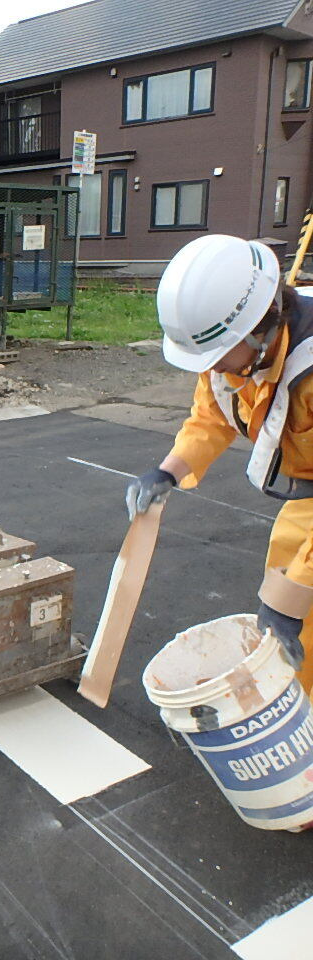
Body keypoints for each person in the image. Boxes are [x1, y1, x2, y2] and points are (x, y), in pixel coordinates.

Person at [127, 234, 313, 692]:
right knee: (294, 609)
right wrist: (169, 469)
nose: (207, 368)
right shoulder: (234, 361)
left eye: (213, 356)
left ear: (259, 328)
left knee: (294, 602)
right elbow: (212, 416)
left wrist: (291, 601)